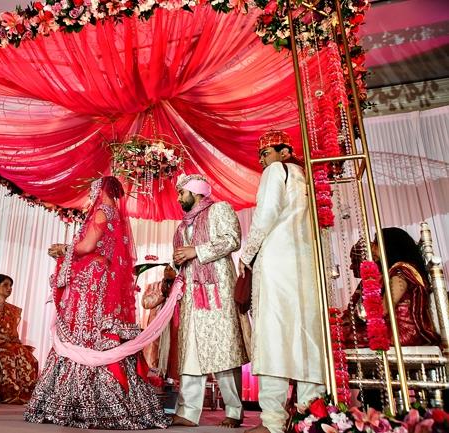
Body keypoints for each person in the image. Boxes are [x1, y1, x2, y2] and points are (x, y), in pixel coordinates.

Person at [24, 176, 169, 429]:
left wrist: (64, 249)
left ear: (100, 190)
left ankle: (81, 401)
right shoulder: (116, 215)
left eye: (92, 190)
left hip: (91, 280)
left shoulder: (102, 211)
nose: (90, 196)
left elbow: (89, 244)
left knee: (84, 333)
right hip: (101, 279)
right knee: (98, 330)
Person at [238, 130, 325, 433]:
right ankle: (310, 414)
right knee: (307, 336)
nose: (262, 160)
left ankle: (273, 421)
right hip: (307, 264)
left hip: (276, 262)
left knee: (273, 333)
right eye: (261, 155)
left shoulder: (278, 171)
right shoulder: (310, 180)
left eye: (266, 153)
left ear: (285, 152)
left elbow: (265, 215)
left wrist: (247, 255)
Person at [171, 173, 247, 428]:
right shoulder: (183, 225)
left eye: (182, 192)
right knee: (191, 351)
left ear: (196, 192)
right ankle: (188, 411)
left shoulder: (219, 209)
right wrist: (178, 260)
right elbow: (182, 254)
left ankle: (234, 411)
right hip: (192, 295)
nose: (179, 197)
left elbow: (232, 240)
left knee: (223, 348)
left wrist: (197, 251)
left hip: (217, 291)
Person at [342, 228, 440, 348]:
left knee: (340, 336)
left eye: (376, 243)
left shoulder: (401, 271)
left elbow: (383, 309)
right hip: (393, 329)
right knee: (341, 332)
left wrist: (358, 316)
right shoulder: (395, 271)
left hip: (401, 333)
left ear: (388, 247)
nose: (372, 248)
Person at [0, 274, 39, 404]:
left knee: (29, 358)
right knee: (9, 354)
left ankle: (24, 394)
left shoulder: (10, 308)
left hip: (7, 342)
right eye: (5, 285)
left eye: (10, 286)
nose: (9, 288)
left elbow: (11, 331)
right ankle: (8, 393)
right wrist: (0, 336)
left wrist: (13, 339)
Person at [141, 265, 179, 381]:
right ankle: (154, 382)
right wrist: (162, 294)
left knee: (174, 353)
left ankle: (172, 381)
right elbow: (145, 303)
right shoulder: (154, 286)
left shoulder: (181, 286)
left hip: (175, 326)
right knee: (153, 355)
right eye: (166, 269)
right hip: (156, 329)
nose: (167, 271)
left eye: (171, 269)